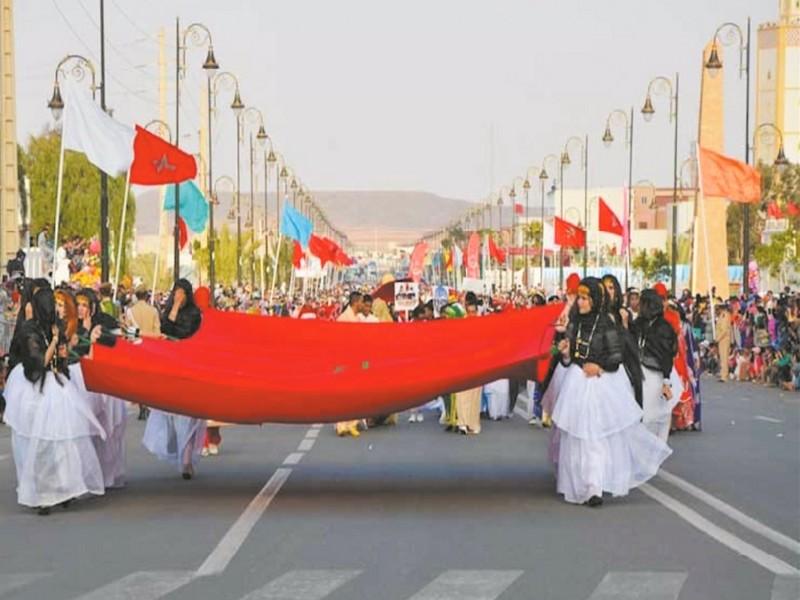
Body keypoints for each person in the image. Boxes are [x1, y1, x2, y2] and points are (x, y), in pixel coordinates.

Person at [551, 278, 671, 507]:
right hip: (575, 384)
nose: (581, 302)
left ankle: (594, 488)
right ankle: (579, 486)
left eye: (585, 298)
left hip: (599, 384)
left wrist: (599, 367)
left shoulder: (606, 323)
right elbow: (564, 358)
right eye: (580, 298)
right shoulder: (573, 324)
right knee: (575, 439)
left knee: (594, 438)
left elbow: (616, 357)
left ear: (594, 300)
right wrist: (564, 352)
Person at [4, 319, 106, 514]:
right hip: (39, 393)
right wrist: (54, 341)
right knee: (42, 445)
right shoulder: (32, 332)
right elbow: (39, 363)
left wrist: (63, 346)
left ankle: (66, 489)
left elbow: (60, 357)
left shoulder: (53, 326)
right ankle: (44, 495)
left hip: (58, 389)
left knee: (65, 444)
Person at [142, 279, 205, 479]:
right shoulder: (169, 310)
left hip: (189, 369)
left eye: (182, 293)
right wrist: (175, 307)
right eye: (176, 293)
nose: (178, 296)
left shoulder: (194, 315)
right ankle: (178, 454)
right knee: (170, 416)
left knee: (189, 418)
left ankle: (186, 461)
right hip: (172, 368)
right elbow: (166, 330)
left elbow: (185, 334)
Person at [634, 289, 679, 442]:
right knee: (641, 417)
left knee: (654, 417)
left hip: (656, 377)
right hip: (639, 376)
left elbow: (667, 356)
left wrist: (666, 381)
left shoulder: (663, 327)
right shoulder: (638, 324)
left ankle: (654, 456)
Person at [454, 292, 483, 435]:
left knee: (475, 394)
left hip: (477, 363)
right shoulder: (461, 323)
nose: (472, 314)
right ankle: (462, 423)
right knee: (462, 393)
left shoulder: (481, 324)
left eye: (474, 311)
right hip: (463, 362)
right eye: (469, 311)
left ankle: (473, 423)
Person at [715, 304, 733, 382]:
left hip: (724, 339)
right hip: (721, 339)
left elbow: (724, 330)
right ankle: (723, 374)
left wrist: (717, 339)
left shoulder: (725, 315)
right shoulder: (721, 315)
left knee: (724, 357)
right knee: (722, 358)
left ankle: (724, 376)